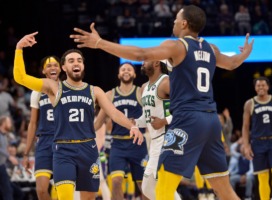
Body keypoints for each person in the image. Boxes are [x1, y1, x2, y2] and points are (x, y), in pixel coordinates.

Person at [70, 5, 254, 200]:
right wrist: (245, 53)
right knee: (224, 190)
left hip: (186, 121)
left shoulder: (177, 46)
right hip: (210, 121)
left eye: (176, 18)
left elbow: (140, 54)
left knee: (163, 189)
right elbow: (233, 63)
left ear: (184, 23)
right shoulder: (211, 48)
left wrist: (99, 42)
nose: (173, 21)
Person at [13, 32, 144, 200]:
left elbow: (113, 112)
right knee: (65, 196)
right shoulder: (54, 87)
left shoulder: (94, 90)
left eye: (79, 61)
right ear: (64, 68)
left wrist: (132, 126)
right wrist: (19, 49)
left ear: (83, 66)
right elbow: (21, 78)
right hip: (63, 150)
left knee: (89, 197)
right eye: (71, 61)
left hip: (88, 149)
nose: (76, 63)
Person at [94, 62, 148, 200]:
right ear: (118, 74)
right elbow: (99, 122)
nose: (126, 71)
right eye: (123, 69)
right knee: (116, 181)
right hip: (118, 144)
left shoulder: (140, 92)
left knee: (144, 185)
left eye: (129, 69)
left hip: (138, 144)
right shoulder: (110, 94)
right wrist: (83, 131)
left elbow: (150, 116)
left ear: (134, 74)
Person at [134, 60, 181, 200]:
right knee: (152, 187)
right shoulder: (143, 87)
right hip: (155, 141)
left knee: (149, 186)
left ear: (156, 63)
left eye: (146, 60)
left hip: (169, 138)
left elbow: (184, 108)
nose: (142, 62)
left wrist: (164, 121)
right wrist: (134, 122)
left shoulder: (166, 82)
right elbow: (147, 117)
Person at [21, 55, 61, 200]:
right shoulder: (37, 91)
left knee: (64, 191)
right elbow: (32, 123)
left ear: (61, 68)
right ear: (43, 71)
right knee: (42, 191)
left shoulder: (68, 89)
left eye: (55, 65)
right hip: (44, 141)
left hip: (64, 141)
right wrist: (26, 153)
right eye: (48, 66)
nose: (52, 68)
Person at [0, 116, 17, 200]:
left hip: (2, 165)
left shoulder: (5, 135)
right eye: (9, 122)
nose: (10, 125)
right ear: (3, 124)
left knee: (13, 191)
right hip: (1, 166)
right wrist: (9, 157)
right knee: (8, 191)